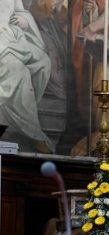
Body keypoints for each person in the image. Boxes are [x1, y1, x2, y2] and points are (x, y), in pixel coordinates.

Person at [0, 0, 53, 153]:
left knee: (43, 63)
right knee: (19, 72)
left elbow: (20, 10)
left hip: (11, 37)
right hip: (2, 44)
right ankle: (33, 132)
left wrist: (25, 21)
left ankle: (23, 116)